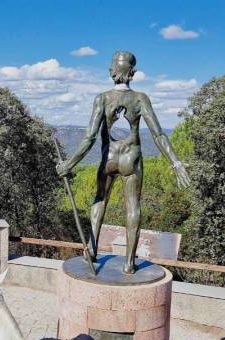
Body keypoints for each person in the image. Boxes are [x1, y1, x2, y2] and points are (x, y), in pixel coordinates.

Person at [56, 51, 190, 274]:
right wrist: (175, 163)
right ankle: (129, 264)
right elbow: (158, 135)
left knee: (99, 200)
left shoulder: (102, 98)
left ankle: (92, 249)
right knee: (133, 208)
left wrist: (70, 163)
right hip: (131, 159)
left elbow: (89, 137)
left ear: (112, 71)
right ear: (133, 73)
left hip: (109, 158)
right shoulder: (140, 99)